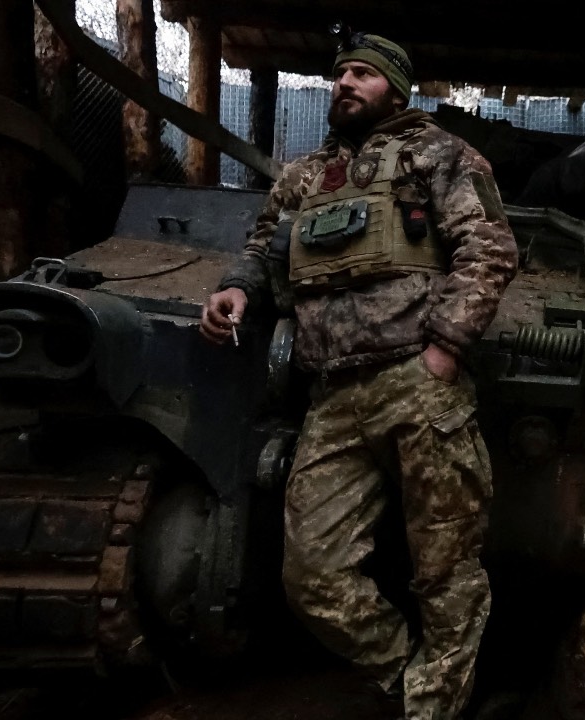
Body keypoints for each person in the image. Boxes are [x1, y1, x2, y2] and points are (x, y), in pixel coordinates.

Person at [199, 31, 518, 720]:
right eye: (339, 73)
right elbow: (263, 249)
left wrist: (444, 353)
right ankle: (413, 682)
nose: (344, 82)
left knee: (445, 573)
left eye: (362, 74)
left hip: (416, 383)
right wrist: (237, 289)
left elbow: (488, 248)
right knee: (310, 576)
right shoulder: (305, 177)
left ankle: (433, 708)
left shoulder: (438, 154)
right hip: (334, 398)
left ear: (395, 91)